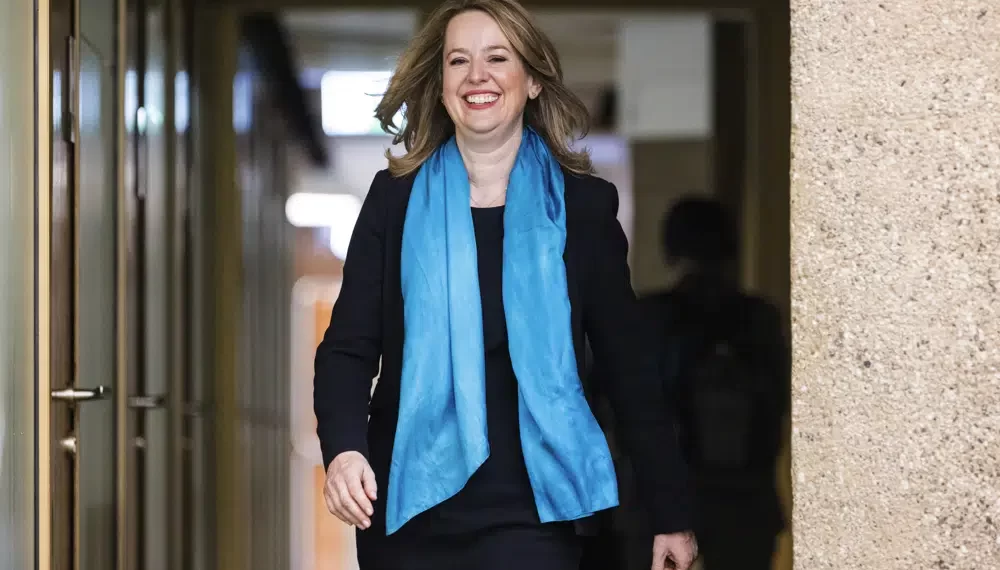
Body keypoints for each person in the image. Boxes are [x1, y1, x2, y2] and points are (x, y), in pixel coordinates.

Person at [313, 1, 696, 568]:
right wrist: (344, 450)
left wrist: (670, 513)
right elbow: (347, 349)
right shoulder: (393, 201)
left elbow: (629, 369)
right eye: (458, 61)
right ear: (441, 84)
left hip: (535, 513)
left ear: (533, 80)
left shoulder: (582, 208)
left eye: (497, 58)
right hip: (407, 513)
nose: (477, 76)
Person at [640, 197, 790, 570]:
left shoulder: (651, 319)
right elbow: (781, 403)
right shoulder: (760, 320)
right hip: (746, 498)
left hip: (669, 496)